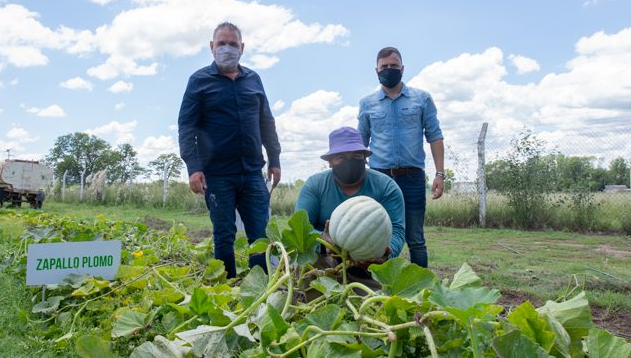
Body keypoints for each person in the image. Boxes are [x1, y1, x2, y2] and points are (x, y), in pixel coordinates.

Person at [178, 22, 282, 278]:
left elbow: (266, 121)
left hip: (252, 173)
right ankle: (226, 285)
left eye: (233, 44)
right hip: (217, 175)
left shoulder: (254, 80)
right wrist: (194, 168)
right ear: (212, 47)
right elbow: (186, 126)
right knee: (224, 233)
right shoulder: (199, 81)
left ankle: (261, 286)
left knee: (260, 233)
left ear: (242, 48)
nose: (227, 49)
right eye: (221, 43)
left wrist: (275, 159)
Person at [358, 46, 444, 268]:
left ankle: (421, 290)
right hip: (379, 180)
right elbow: (360, 144)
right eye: (384, 66)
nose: (389, 70)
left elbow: (435, 136)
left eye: (394, 66)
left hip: (412, 178)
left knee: (415, 238)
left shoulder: (422, 99)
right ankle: (380, 286)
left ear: (402, 68)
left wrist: (440, 174)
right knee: (377, 236)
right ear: (376, 70)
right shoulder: (367, 104)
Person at [295, 127, 405, 295]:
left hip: (369, 267)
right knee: (312, 296)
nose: (350, 161)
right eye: (341, 157)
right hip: (322, 263)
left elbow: (397, 230)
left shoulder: (386, 187)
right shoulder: (314, 186)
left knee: (375, 307)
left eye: (356, 156)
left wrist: (384, 254)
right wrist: (322, 243)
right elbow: (300, 229)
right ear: (330, 161)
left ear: (365, 159)